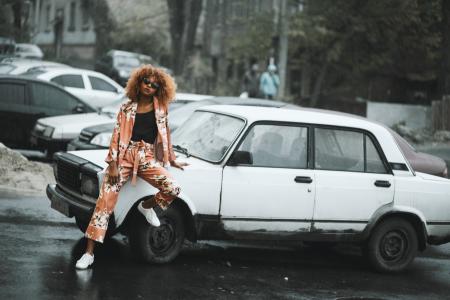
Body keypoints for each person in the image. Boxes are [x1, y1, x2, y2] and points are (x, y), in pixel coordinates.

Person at [75, 64, 189, 269]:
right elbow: (116, 136)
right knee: (104, 204)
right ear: (139, 82)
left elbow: (165, 136)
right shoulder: (126, 108)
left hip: (147, 158)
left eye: (154, 85)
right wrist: (112, 164)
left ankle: (145, 207)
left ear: (159, 89)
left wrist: (171, 159)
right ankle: (89, 253)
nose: (149, 86)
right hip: (124, 158)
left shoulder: (161, 109)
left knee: (173, 188)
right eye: (146, 82)